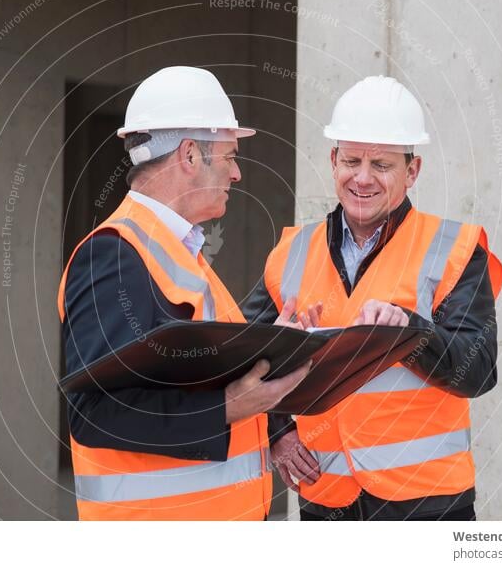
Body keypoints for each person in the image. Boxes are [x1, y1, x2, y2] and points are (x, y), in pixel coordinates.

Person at [57, 66, 314, 520]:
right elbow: (95, 412)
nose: (237, 174)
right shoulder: (114, 256)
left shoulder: (178, 255)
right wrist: (229, 408)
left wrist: (273, 352)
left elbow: (194, 374)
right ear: (190, 156)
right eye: (231, 156)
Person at [244, 75, 502, 521]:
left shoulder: (455, 249)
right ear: (333, 160)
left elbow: (477, 372)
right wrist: (278, 432)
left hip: (428, 505)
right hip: (326, 503)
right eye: (352, 161)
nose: (362, 178)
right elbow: (244, 356)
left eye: (381, 165)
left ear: (412, 171)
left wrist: (410, 333)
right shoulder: (290, 254)